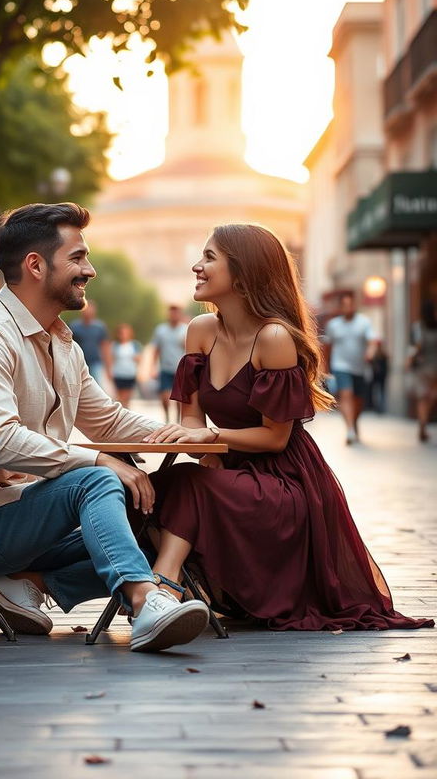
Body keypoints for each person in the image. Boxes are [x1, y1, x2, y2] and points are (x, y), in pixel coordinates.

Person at [0, 203, 209, 653]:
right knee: (95, 480)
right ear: (35, 265)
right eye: (77, 258)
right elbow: (3, 441)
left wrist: (185, 438)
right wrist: (101, 461)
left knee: (160, 528)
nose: (89, 270)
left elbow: (109, 420)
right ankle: (144, 601)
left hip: (32, 515)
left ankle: (25, 583)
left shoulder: (61, 344)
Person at [142, 223, 433, 632]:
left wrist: (210, 439)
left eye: (209, 258)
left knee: (188, 485)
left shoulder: (274, 337)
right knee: (156, 486)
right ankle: (180, 591)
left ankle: (163, 590)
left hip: (285, 480)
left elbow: (275, 437)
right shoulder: (200, 331)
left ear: (243, 274)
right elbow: (193, 420)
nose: (197, 266)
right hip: (230, 468)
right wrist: (196, 442)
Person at [323, 292, 378, 445]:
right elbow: (328, 346)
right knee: (346, 395)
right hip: (340, 366)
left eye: (351, 304)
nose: (348, 308)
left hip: (359, 368)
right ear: (341, 307)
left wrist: (370, 352)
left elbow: (373, 341)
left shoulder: (364, 322)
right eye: (345, 305)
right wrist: (325, 366)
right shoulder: (333, 325)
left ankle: (354, 423)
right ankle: (349, 430)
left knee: (359, 400)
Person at [407, 288, 437, 443]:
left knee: (423, 398)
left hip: (423, 367)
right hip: (434, 367)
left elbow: (416, 347)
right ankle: (424, 425)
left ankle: (422, 425)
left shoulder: (419, 327)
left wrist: (409, 360)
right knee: (431, 396)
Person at [150, 305, 187, 422]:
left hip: (180, 369)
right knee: (165, 398)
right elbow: (156, 349)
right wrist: (153, 367)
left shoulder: (186, 329)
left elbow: (191, 349)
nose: (174, 315)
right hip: (165, 369)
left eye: (176, 312)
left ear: (180, 314)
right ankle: (166, 418)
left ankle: (177, 421)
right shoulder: (160, 330)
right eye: (172, 313)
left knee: (179, 399)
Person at [69, 299, 111, 385]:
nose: (88, 311)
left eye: (91, 308)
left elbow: (105, 347)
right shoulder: (74, 326)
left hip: (95, 362)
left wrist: (108, 368)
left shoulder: (100, 327)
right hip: (79, 363)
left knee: (96, 386)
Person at [110, 323, 142, 408]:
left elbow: (139, 359)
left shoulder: (134, 345)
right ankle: (122, 412)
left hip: (130, 374)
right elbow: (111, 359)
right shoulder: (115, 345)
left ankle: (125, 411)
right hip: (118, 374)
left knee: (127, 397)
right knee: (120, 396)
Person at [369, 340, 389, 415]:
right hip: (379, 376)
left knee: (378, 391)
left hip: (378, 376)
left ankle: (378, 407)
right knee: (379, 391)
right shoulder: (381, 354)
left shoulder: (379, 354)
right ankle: (379, 407)